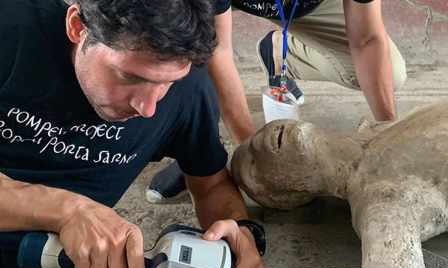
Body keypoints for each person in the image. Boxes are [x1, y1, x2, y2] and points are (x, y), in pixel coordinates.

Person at [0, 0, 266, 268]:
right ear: (77, 26)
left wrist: (240, 232)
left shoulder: (189, 93)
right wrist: (67, 210)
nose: (148, 107)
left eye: (167, 82)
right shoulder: (11, 31)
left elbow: (212, 185)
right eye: (131, 77)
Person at [145, 0, 407, 204]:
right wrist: (254, 156)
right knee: (182, 42)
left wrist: (388, 135)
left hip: (305, 7)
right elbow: (218, 50)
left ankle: (281, 52)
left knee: (390, 72)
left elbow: (367, 40)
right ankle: (194, 145)